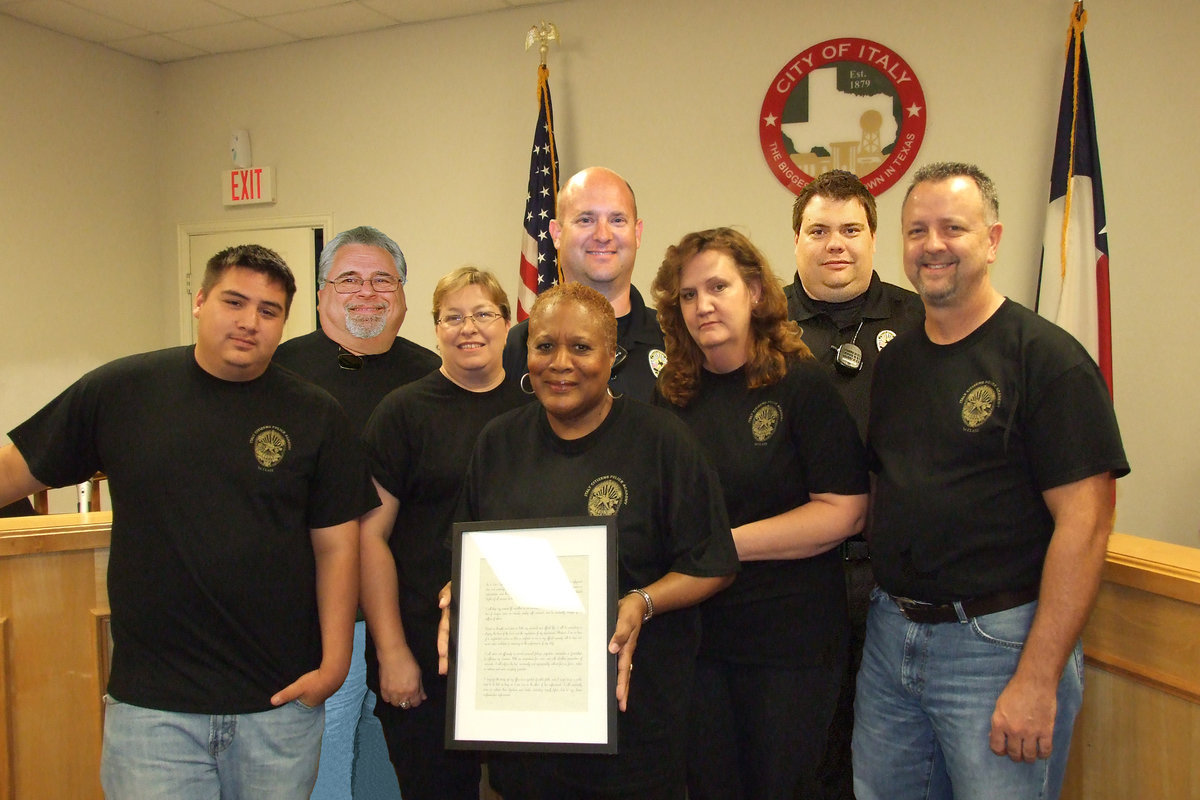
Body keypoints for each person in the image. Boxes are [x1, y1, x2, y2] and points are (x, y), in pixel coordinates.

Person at [0, 244, 376, 798]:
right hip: (152, 713)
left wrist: (334, 665)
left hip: (277, 705)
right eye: (234, 301)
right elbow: (15, 470)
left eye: (269, 311)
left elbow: (338, 548)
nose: (250, 322)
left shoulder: (317, 414)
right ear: (200, 301)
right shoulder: (122, 391)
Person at [854, 162, 1129, 800]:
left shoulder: (1047, 360)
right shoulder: (895, 364)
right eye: (917, 230)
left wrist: (1037, 678)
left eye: (954, 227)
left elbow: (1086, 525)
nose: (933, 245)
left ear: (993, 240)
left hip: (997, 646)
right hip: (891, 640)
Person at [442, 282, 740, 799]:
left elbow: (713, 562)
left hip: (635, 731)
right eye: (543, 346)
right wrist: (459, 595)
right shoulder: (498, 442)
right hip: (522, 729)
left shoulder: (663, 441)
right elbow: (476, 555)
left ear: (613, 356)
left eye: (581, 347)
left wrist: (642, 602)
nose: (560, 363)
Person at [651, 227, 868, 800]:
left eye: (717, 286)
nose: (703, 305)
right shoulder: (669, 397)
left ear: (753, 292)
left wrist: (722, 544)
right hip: (697, 644)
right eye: (688, 296)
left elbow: (844, 511)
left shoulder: (804, 385)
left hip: (789, 645)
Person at [273, 225, 437, 799]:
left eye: (381, 280)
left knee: (408, 777)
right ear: (320, 294)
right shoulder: (275, 374)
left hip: (412, 616)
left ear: (403, 295)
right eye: (348, 279)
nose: (366, 293)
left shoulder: (433, 375)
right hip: (309, 621)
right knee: (323, 779)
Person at [359, 266, 528, 799]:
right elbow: (370, 538)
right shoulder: (402, 413)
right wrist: (391, 652)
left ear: (507, 324)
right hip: (422, 648)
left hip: (518, 647)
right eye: (452, 317)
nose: (468, 327)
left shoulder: (537, 409)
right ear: (435, 329)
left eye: (483, 314)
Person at [785, 170, 923, 800]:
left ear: (873, 237)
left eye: (850, 229)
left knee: (883, 758)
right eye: (818, 230)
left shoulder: (920, 319)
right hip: (789, 579)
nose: (834, 243)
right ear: (796, 241)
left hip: (890, 582)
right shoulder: (763, 326)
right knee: (799, 750)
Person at [502, 166, 667, 402]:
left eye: (617, 220)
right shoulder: (516, 348)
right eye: (586, 219)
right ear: (556, 233)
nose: (602, 235)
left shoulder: (675, 341)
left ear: (637, 232)